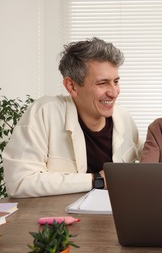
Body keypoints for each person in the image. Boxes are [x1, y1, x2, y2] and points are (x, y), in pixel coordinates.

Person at [3, 37, 143, 198]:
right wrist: (96, 180)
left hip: (114, 217)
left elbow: (147, 156)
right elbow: (20, 182)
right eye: (102, 83)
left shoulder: (123, 116)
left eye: (116, 81)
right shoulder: (44, 112)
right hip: (58, 217)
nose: (114, 92)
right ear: (72, 86)